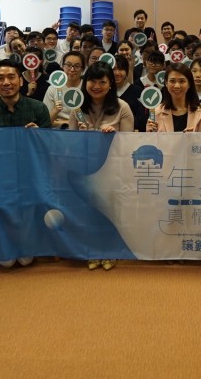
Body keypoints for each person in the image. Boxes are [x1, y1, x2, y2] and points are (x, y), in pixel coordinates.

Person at [0, 59, 51, 268]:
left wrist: (39, 136)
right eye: (0, 78)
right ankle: (5, 243)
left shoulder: (38, 108)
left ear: (21, 81)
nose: (6, 82)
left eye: (11, 77)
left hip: (31, 174)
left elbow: (49, 149)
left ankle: (26, 243)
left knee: (31, 202)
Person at [78, 62, 135, 271]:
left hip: (114, 169)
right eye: (92, 81)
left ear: (110, 84)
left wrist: (115, 136)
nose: (96, 86)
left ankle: (111, 250)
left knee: (110, 211)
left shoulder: (122, 108)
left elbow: (128, 143)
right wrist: (79, 135)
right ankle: (93, 249)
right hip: (86, 169)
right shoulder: (77, 108)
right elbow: (70, 145)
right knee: (90, 211)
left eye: (102, 82)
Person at [147, 63, 201, 133]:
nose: (177, 86)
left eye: (182, 81)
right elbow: (152, 139)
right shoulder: (156, 112)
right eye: (172, 81)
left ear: (189, 84)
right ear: (166, 83)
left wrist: (192, 138)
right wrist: (149, 133)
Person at [43, 51, 86, 128]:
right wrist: (55, 111)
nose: (72, 69)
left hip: (81, 130)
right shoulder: (53, 88)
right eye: (68, 65)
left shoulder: (87, 88)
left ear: (82, 69)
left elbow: (89, 120)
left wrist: (61, 122)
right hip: (57, 131)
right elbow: (45, 122)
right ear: (62, 66)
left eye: (77, 66)